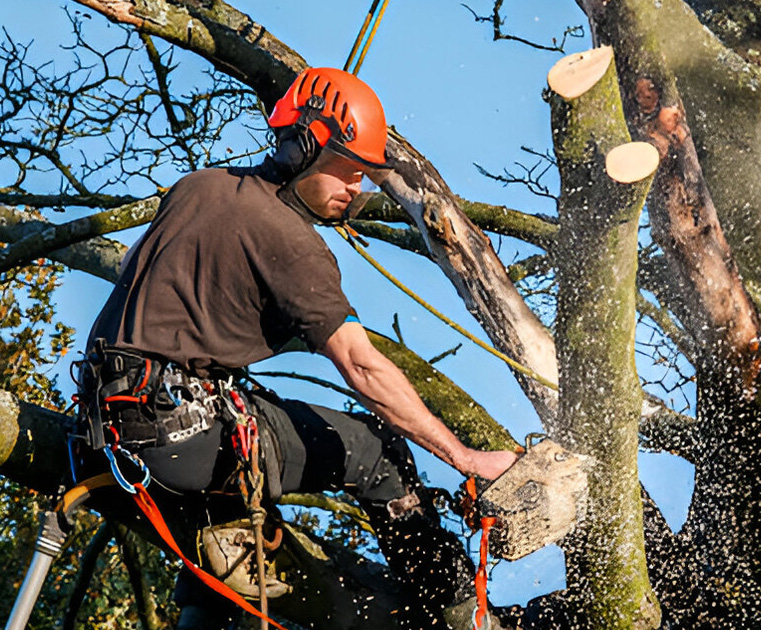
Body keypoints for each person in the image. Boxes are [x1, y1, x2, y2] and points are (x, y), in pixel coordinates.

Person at [78, 67, 519, 629]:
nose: (355, 190)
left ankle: (204, 612)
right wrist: (467, 459)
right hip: (181, 432)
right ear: (306, 148)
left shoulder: (199, 187)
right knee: (377, 450)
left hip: (105, 430)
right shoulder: (290, 240)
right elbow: (361, 364)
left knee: (230, 534)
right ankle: (460, 615)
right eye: (349, 172)